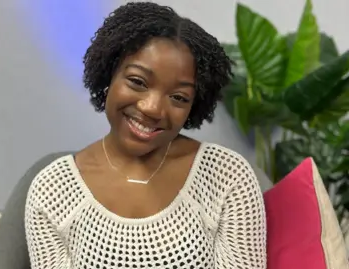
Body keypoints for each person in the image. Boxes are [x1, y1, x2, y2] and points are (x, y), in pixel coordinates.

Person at [25, 2, 267, 268]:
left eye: (178, 97)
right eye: (138, 82)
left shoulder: (226, 176)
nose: (152, 108)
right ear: (109, 74)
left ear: (193, 106)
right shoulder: (53, 190)